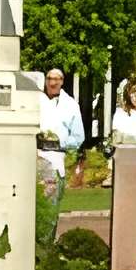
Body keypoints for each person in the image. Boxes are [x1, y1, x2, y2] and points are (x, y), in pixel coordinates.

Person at [36, 65, 84, 207]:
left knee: (51, 209)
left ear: (62, 81)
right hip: (34, 159)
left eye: (57, 79)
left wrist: (59, 142)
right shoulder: (37, 100)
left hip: (56, 162)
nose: (53, 83)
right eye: (50, 79)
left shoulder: (70, 105)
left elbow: (78, 137)